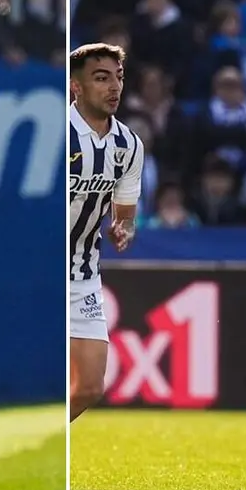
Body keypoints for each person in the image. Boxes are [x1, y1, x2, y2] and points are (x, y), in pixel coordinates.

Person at [69, 43, 145, 422]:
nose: (114, 87)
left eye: (118, 77)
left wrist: (124, 229)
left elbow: (125, 214)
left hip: (83, 275)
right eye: (101, 78)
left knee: (90, 387)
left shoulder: (129, 145)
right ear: (76, 86)